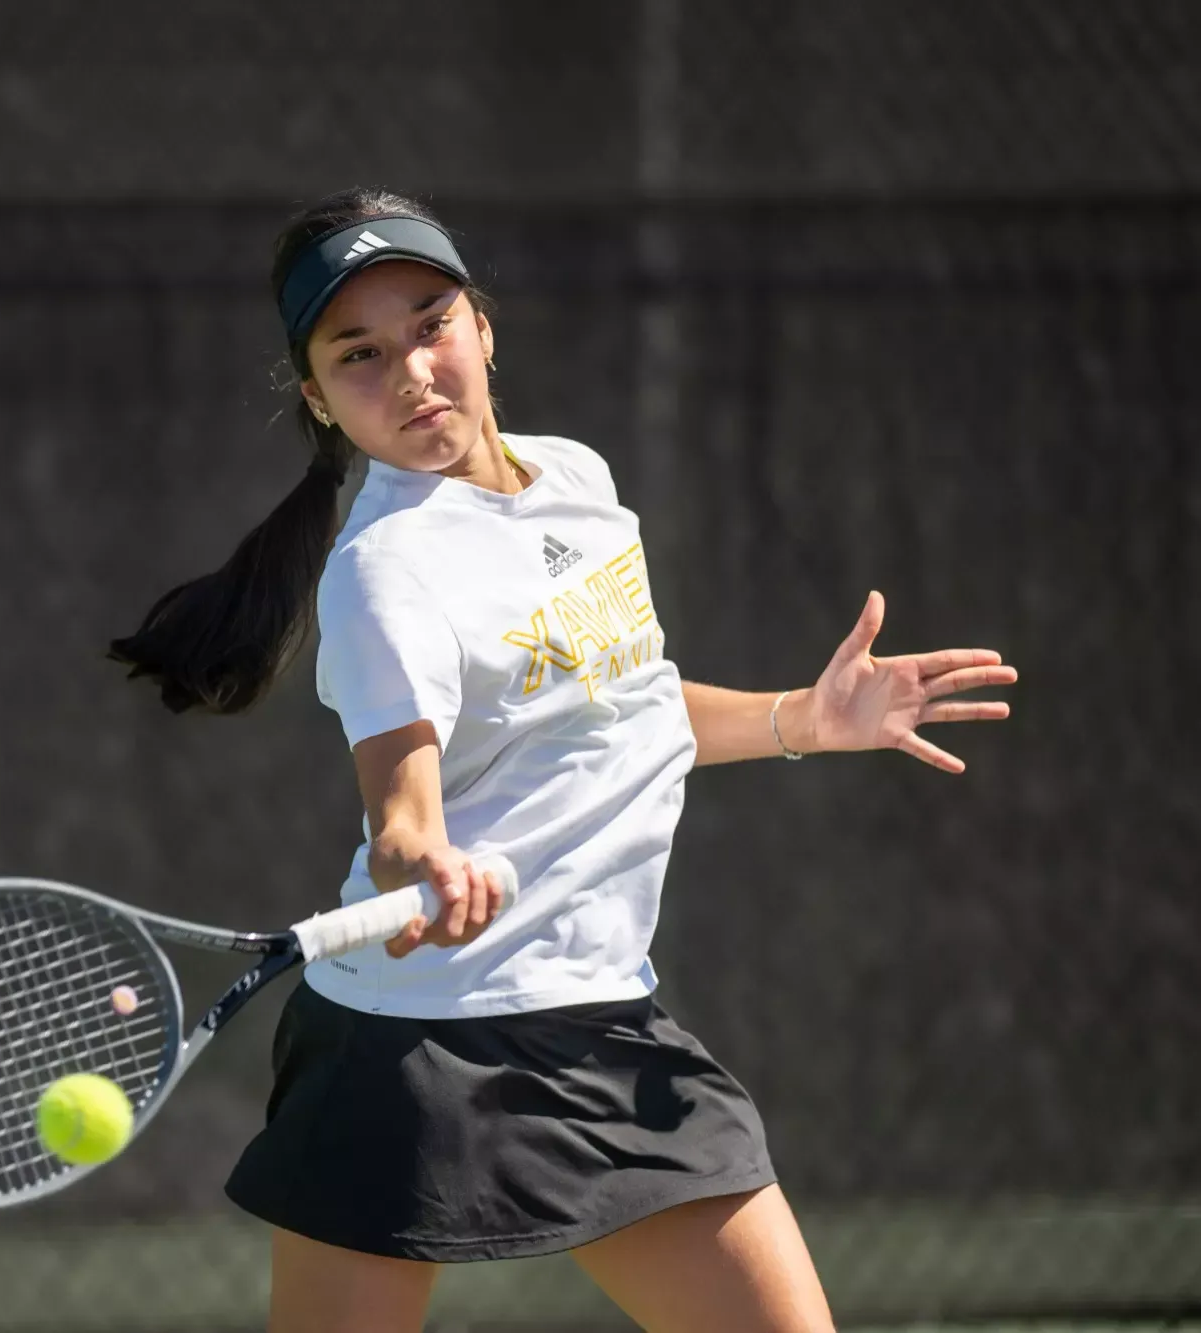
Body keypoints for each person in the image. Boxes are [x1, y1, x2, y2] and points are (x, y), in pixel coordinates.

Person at [108, 187, 1016, 1333]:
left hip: (600, 1024)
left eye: (429, 323)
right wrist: (422, 860)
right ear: (320, 401)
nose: (411, 372)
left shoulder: (576, 480)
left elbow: (620, 706)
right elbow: (400, 806)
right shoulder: (385, 570)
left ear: (482, 327)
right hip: (408, 1048)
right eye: (359, 355)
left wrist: (800, 716)